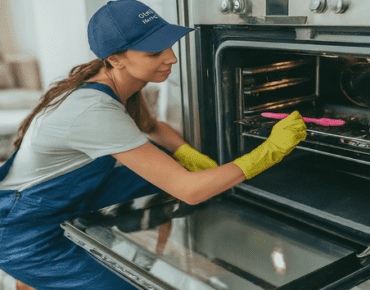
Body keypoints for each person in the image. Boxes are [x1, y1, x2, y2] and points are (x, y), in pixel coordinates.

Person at [0, 0, 307, 289]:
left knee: (162, 159)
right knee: (128, 283)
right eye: (153, 53)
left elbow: (151, 127)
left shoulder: (115, 80)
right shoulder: (93, 110)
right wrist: (271, 151)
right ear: (116, 59)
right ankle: (32, 279)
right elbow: (190, 190)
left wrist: (184, 152)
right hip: (24, 231)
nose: (171, 58)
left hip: (66, 198)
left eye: (168, 45)